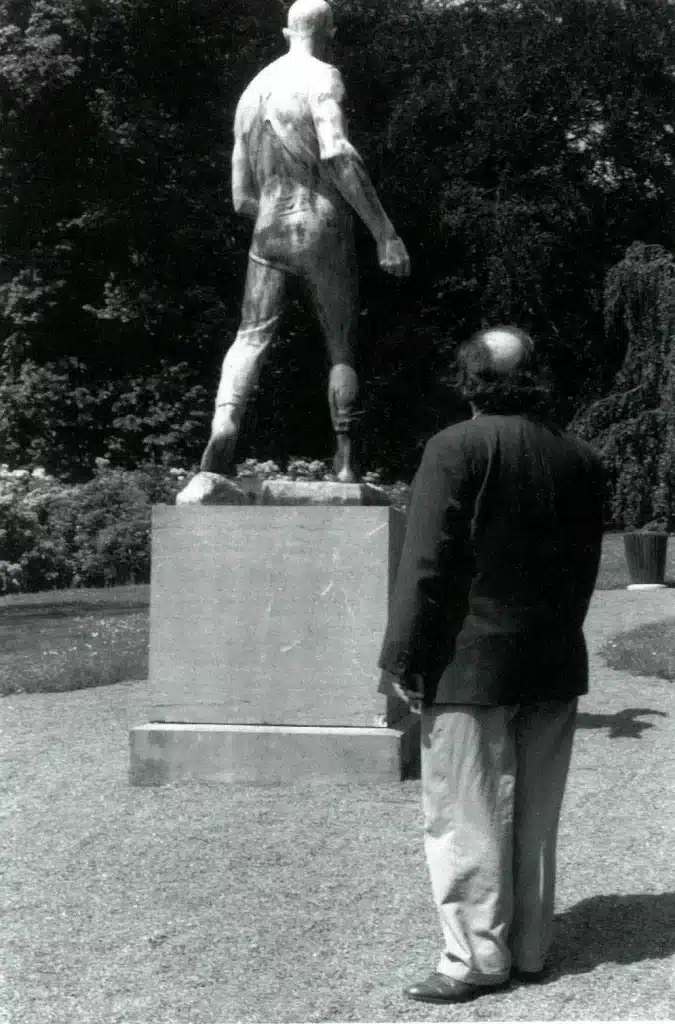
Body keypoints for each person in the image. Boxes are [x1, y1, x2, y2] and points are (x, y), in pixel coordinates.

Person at [378, 326, 605, 1004]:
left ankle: (475, 958)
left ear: (468, 377)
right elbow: (585, 569)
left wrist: (400, 658)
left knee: (463, 815)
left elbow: (424, 565)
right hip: (554, 657)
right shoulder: (581, 457)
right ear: (536, 377)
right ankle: (531, 947)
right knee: (535, 816)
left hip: (467, 661)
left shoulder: (454, 447)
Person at [181, 0, 410, 503]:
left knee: (249, 336)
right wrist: (384, 232)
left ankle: (223, 430)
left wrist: (275, 211)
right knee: (341, 344)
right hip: (322, 223)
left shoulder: (252, 90)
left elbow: (240, 196)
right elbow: (337, 151)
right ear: (330, 29)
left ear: (286, 29)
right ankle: (347, 461)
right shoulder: (323, 76)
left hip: (268, 230)